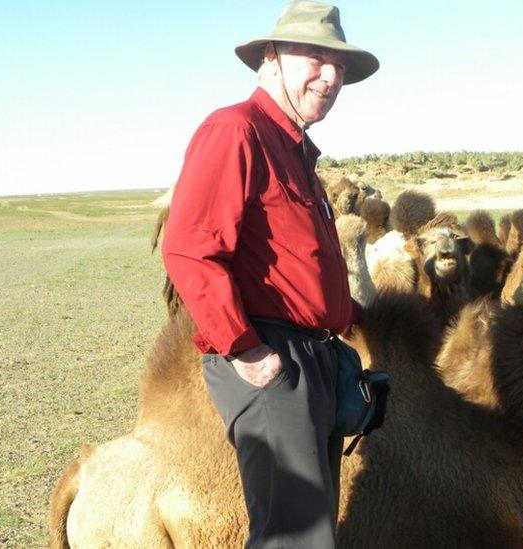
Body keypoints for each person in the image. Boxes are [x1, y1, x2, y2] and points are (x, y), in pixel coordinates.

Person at [160, 1, 378, 546]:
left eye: (341, 68)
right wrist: (246, 349)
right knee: (294, 536)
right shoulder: (236, 130)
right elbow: (189, 249)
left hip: (313, 357)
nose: (331, 77)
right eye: (316, 59)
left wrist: (356, 317)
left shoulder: (296, 151)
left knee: (312, 530)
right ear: (273, 58)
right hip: (272, 358)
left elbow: (299, 263)